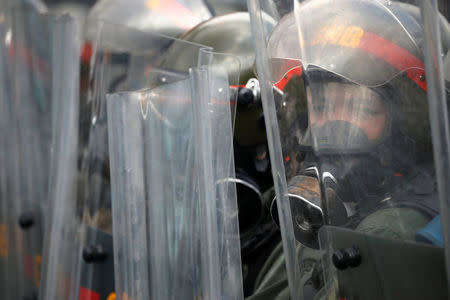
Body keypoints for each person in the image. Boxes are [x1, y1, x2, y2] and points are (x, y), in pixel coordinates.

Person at [246, 0, 450, 299]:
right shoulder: (322, 219)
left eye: (362, 108)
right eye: (321, 105)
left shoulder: (390, 232)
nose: (332, 128)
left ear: (407, 130)